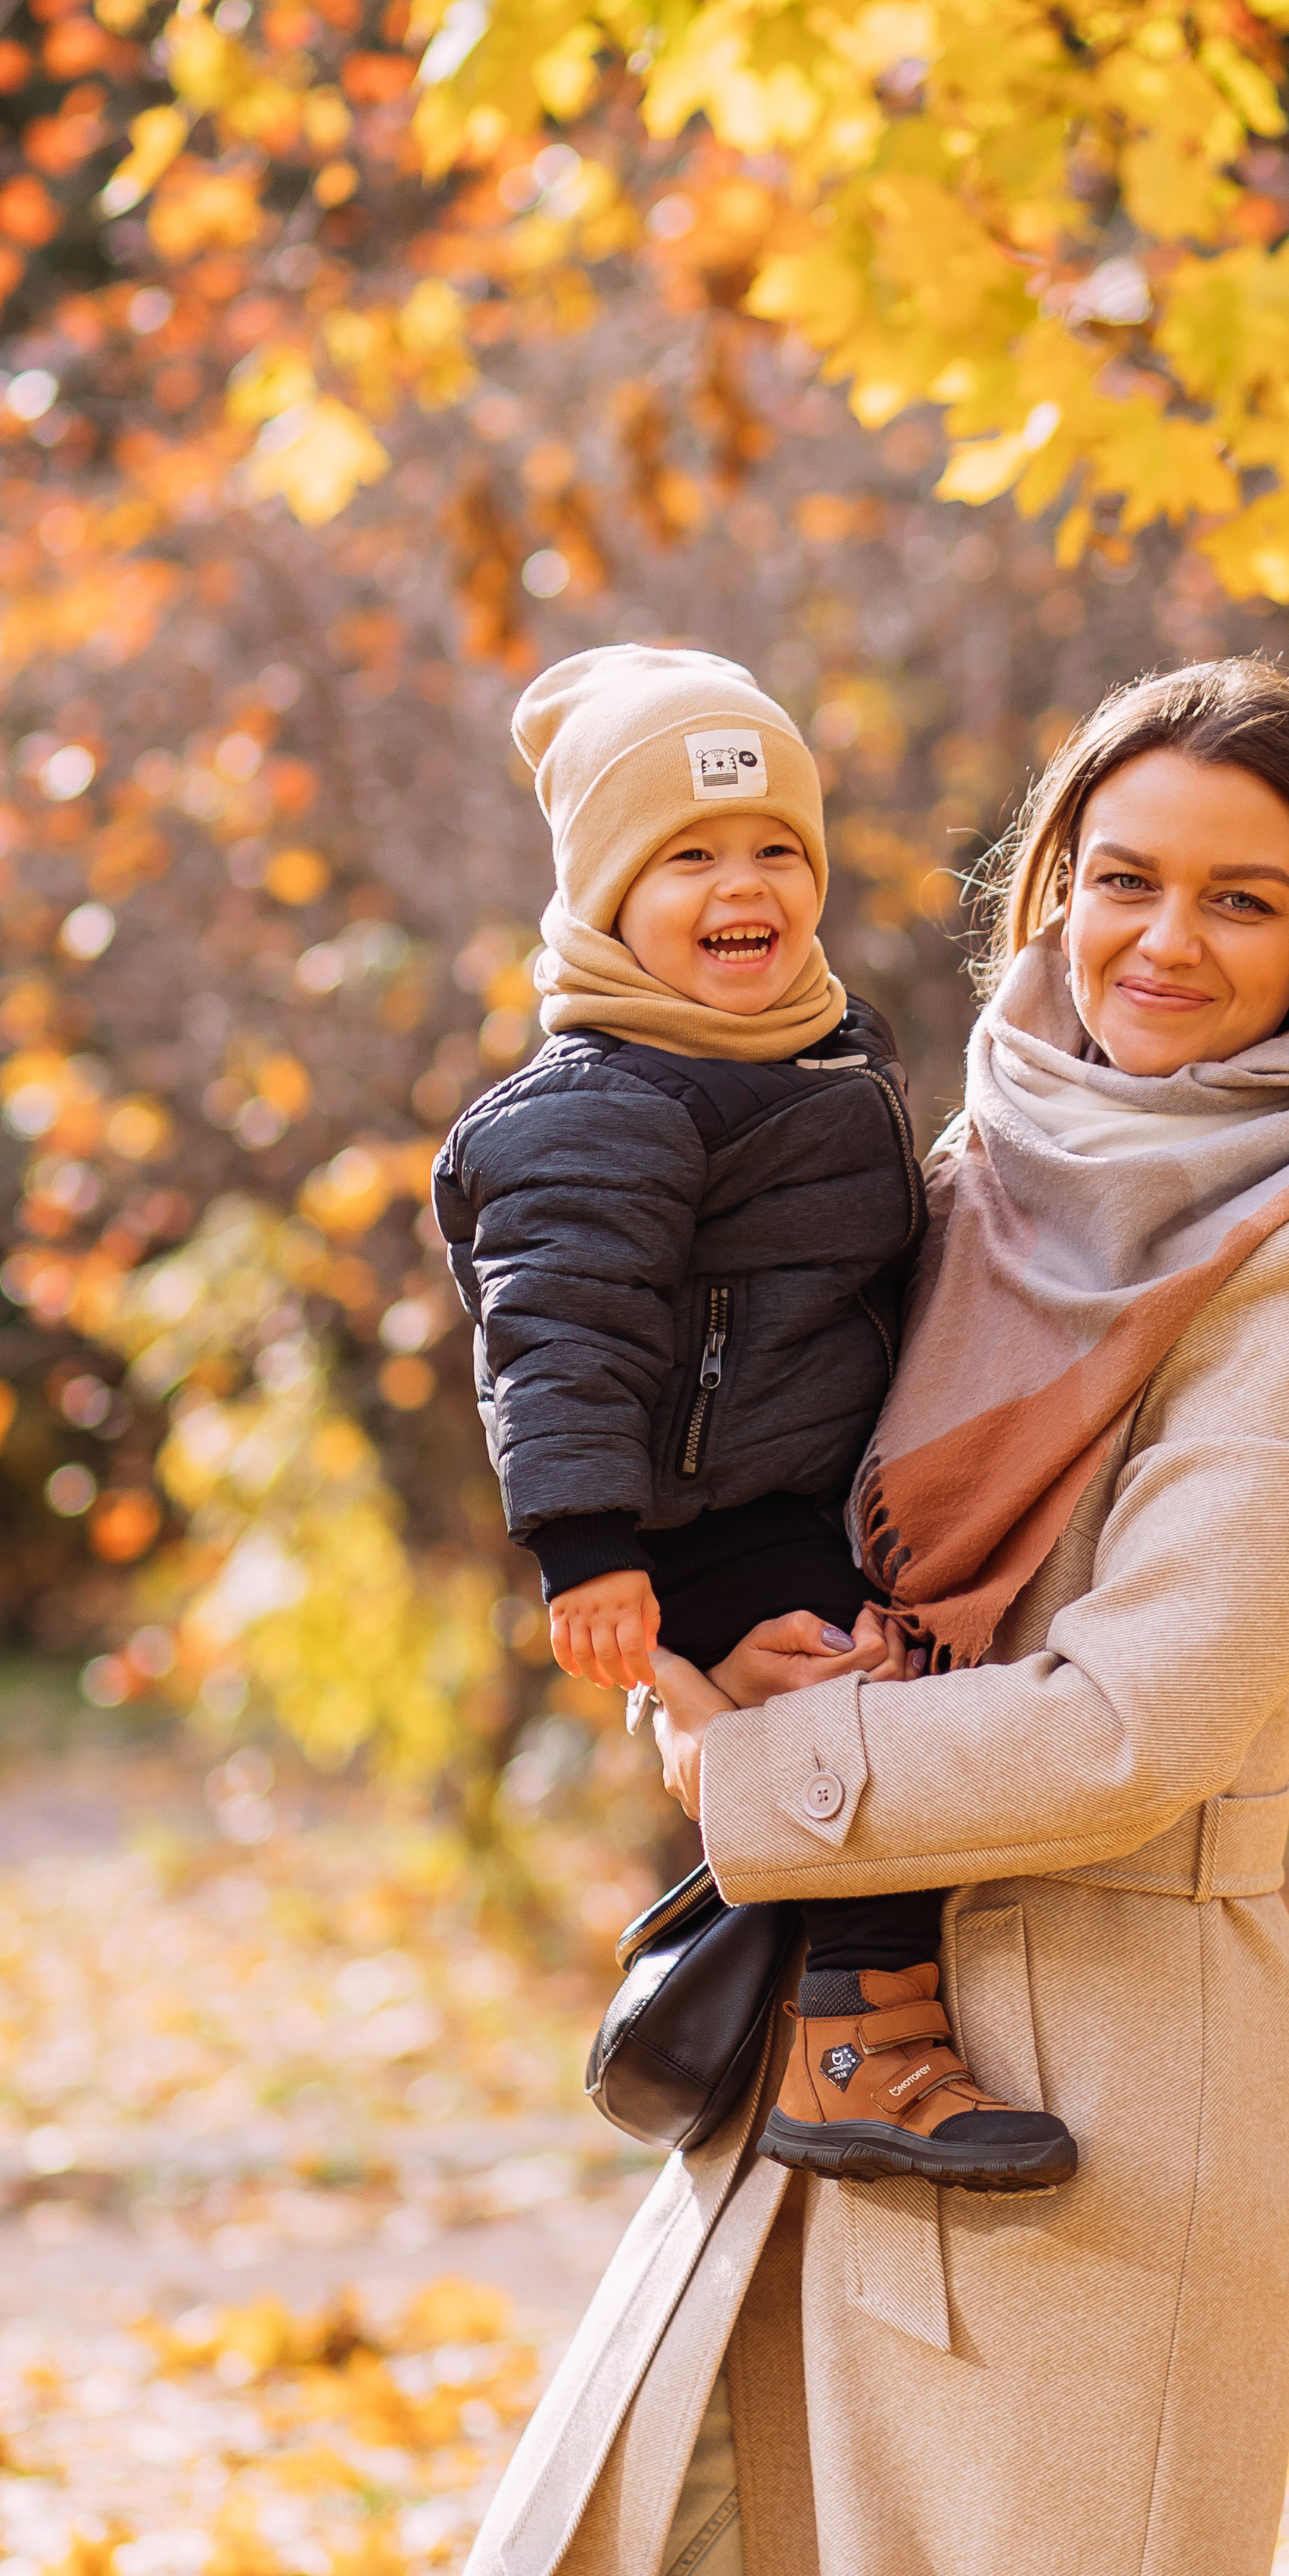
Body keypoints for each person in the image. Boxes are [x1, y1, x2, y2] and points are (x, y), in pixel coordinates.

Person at [381, 657, 1289, 2576]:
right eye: (1122, 880)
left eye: (1236, 901)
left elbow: (1142, 1725)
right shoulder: (962, 1167)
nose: (1163, 944)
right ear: (1050, 900)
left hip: (1092, 2088)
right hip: (836, 2045)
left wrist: (745, 1768)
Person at [434, 643, 1076, 2188]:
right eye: (689, 858)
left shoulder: (820, 1045)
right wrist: (590, 1553)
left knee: (864, 1707)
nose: (748, 885)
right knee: (841, 1713)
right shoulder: (600, 1100)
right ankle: (857, 2050)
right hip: (705, 1516)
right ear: (602, 899)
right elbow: (560, 1337)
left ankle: (763, 1952)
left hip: (814, 1483)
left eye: (777, 848)